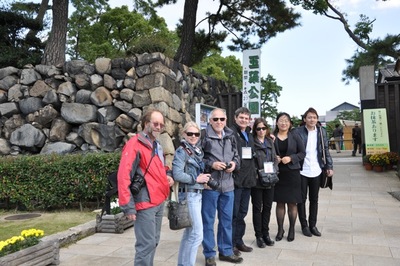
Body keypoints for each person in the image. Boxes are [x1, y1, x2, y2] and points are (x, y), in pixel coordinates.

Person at [117, 109, 174, 266]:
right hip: (145, 202)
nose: (158, 127)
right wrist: (128, 207)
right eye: (155, 123)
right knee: (146, 245)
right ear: (145, 124)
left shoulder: (156, 144)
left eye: (161, 125)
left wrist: (167, 176)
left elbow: (159, 168)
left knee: (153, 242)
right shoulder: (134, 145)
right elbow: (123, 176)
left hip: (158, 200)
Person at [201, 108, 242, 266]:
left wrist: (233, 164)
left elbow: (237, 156)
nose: (219, 122)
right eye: (215, 119)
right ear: (210, 121)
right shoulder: (204, 136)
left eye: (222, 119)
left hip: (228, 185)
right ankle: (209, 254)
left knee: (226, 220)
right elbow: (197, 158)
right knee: (208, 221)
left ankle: (225, 251)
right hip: (210, 186)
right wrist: (212, 164)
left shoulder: (230, 135)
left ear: (226, 120)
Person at [172, 121, 211, 266]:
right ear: (184, 134)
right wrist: (197, 179)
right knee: (197, 235)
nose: (193, 136)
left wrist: (202, 182)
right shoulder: (182, 151)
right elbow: (177, 174)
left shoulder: (196, 150)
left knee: (189, 233)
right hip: (189, 196)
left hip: (196, 194)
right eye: (190, 134)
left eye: (196, 134)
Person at [294, 108, 334, 238]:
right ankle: (304, 225)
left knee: (314, 199)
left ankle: (313, 225)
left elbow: (326, 150)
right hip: (302, 170)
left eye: (314, 117)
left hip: (316, 169)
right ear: (304, 119)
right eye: (309, 117)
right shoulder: (297, 131)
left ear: (317, 119)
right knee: (301, 199)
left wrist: (329, 165)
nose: (312, 120)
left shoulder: (322, 132)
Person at [273, 112, 306, 242]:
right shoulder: (272, 137)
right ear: (276, 123)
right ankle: (280, 229)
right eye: (281, 120)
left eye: (286, 121)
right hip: (278, 173)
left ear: (290, 123)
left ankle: (292, 229)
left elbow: (303, 153)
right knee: (280, 203)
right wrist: (274, 157)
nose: (284, 123)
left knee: (292, 203)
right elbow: (266, 152)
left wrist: (291, 158)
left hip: (292, 173)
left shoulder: (295, 136)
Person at [230, 107, 257, 256]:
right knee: (233, 214)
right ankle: (231, 243)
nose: (244, 120)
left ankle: (239, 240)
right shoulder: (231, 133)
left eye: (246, 118)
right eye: (241, 117)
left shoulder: (249, 135)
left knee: (242, 212)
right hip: (236, 179)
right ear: (235, 118)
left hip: (248, 179)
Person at [251, 117, 277, 248]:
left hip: (270, 179)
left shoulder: (270, 141)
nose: (261, 131)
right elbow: (249, 161)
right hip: (257, 180)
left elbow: (275, 158)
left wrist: (275, 172)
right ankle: (259, 236)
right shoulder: (252, 142)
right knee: (257, 208)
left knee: (267, 207)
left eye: (263, 128)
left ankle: (266, 233)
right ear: (255, 130)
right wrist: (256, 174)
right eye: (258, 128)